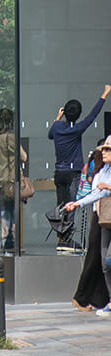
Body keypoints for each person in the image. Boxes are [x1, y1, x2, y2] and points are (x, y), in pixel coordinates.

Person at [50, 85, 110, 245]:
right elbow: (92, 116)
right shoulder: (76, 129)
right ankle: (66, 240)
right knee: (71, 206)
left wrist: (58, 117)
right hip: (72, 173)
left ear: (65, 112)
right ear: (77, 114)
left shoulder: (57, 127)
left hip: (59, 172)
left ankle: (61, 238)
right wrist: (104, 94)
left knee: (61, 205)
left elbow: (50, 134)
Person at [64, 136, 111, 315]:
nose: (104, 152)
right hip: (103, 217)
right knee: (102, 260)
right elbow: (97, 194)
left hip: (103, 216)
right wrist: (77, 204)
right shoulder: (102, 171)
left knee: (104, 259)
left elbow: (104, 190)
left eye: (108, 149)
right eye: (103, 149)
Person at [0, 108, 26, 251]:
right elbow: (23, 157)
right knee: (13, 212)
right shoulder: (11, 138)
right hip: (11, 180)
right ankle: (11, 239)